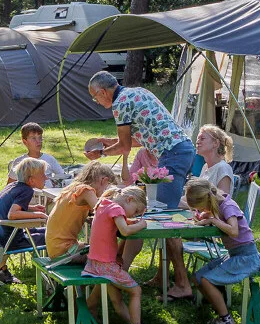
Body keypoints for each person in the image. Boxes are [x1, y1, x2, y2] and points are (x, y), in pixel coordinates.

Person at [86, 69, 196, 299]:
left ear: (103, 92)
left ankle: (183, 284)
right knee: (162, 214)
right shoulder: (136, 93)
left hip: (173, 155)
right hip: (180, 150)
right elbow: (142, 138)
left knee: (166, 221)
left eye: (95, 97)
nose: (96, 101)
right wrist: (109, 142)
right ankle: (162, 276)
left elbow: (124, 147)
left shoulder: (120, 103)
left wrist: (101, 153)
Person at [184, 176, 260, 324]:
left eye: (200, 207)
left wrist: (213, 220)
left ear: (207, 198)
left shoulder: (228, 206)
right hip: (234, 254)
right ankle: (221, 315)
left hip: (246, 256)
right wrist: (205, 217)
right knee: (198, 278)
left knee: (207, 280)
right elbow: (214, 218)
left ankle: (228, 323)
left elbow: (234, 231)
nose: (200, 210)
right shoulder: (218, 204)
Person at [82, 185, 158, 324]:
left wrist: (131, 220)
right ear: (129, 199)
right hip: (106, 266)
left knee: (117, 298)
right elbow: (124, 231)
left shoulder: (104, 204)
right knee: (136, 291)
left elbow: (118, 221)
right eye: (136, 210)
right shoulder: (116, 208)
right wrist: (141, 224)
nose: (135, 214)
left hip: (94, 264)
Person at [45, 161, 120, 264]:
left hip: (56, 248)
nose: (104, 192)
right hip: (63, 251)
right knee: (105, 256)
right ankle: (111, 277)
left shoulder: (74, 187)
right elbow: (103, 212)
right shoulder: (86, 191)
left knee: (91, 248)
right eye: (106, 188)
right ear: (103, 180)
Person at [0, 156, 49, 282]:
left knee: (49, 230)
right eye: (43, 175)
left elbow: (10, 205)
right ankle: (52, 274)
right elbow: (12, 214)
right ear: (31, 180)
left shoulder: (13, 185)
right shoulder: (27, 191)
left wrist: (31, 208)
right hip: (12, 240)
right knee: (53, 236)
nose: (46, 178)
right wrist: (38, 215)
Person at [9, 122, 67, 186]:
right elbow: (10, 186)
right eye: (33, 138)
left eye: (40, 137)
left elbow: (63, 177)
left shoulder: (49, 159)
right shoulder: (19, 162)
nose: (38, 141)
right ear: (25, 142)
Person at [194, 124, 236, 198]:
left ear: (215, 143)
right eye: (198, 138)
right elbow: (195, 196)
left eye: (202, 138)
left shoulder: (223, 168)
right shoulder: (206, 167)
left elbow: (222, 202)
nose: (197, 142)